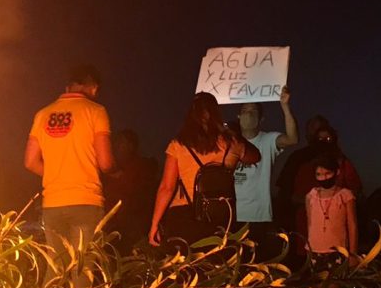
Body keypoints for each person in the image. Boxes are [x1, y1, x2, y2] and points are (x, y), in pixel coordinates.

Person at [23, 64, 113, 288]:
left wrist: (54, 176)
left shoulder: (42, 114)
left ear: (68, 85)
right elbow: (105, 162)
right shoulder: (96, 111)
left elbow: (30, 162)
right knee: (81, 273)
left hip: (53, 202)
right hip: (86, 200)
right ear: (92, 86)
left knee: (54, 269)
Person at [149, 92, 256, 250]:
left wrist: (154, 224)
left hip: (183, 216)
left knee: (184, 263)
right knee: (217, 263)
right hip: (220, 217)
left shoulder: (178, 145)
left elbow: (167, 187)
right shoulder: (232, 142)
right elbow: (255, 156)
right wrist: (235, 135)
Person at [276, 115, 363, 251]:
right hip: (303, 227)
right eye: (317, 135)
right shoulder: (297, 159)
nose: (322, 141)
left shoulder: (342, 162)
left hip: (337, 231)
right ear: (308, 135)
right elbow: (284, 192)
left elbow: (355, 189)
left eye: (326, 138)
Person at [232, 87, 299, 253]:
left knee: (258, 262)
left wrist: (285, 106)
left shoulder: (268, 140)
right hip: (232, 215)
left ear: (261, 118)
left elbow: (292, 139)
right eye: (244, 111)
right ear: (238, 116)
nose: (248, 114)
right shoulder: (229, 142)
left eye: (253, 111)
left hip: (259, 216)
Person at [305, 156, 358, 288]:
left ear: (336, 173)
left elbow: (352, 225)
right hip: (315, 250)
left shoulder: (345, 195)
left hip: (337, 251)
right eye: (319, 174)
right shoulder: (311, 195)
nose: (323, 177)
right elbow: (309, 222)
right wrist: (308, 248)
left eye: (327, 173)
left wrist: (352, 252)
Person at [102, 129, 158, 251]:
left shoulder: (140, 167)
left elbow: (141, 196)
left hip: (131, 225)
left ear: (131, 146)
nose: (118, 146)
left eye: (122, 143)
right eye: (117, 143)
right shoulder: (110, 169)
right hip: (111, 224)